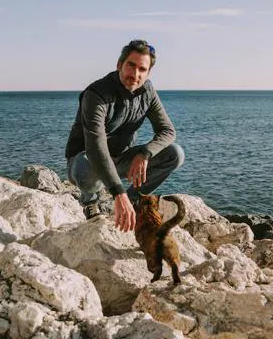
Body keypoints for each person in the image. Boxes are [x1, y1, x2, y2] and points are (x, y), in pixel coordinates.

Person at [65, 39, 184, 232]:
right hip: (85, 161)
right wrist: (118, 193)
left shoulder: (147, 91)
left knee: (175, 153)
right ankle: (90, 202)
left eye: (142, 69)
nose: (135, 74)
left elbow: (168, 131)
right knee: (86, 164)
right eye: (131, 65)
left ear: (148, 73)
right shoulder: (96, 94)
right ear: (119, 65)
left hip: (121, 160)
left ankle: (134, 201)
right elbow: (96, 146)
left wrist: (145, 154)